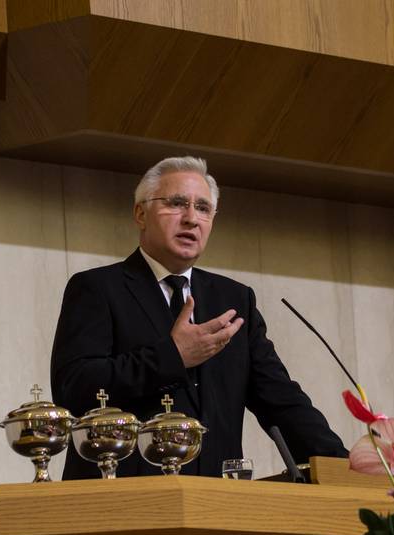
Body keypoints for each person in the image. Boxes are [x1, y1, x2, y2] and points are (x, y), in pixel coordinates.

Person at [51, 156, 347, 478]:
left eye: (203, 208)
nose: (191, 218)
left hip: (215, 502)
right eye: (177, 203)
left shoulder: (234, 300)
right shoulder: (97, 288)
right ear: (140, 213)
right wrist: (172, 356)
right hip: (124, 499)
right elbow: (73, 389)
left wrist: (348, 465)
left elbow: (281, 401)